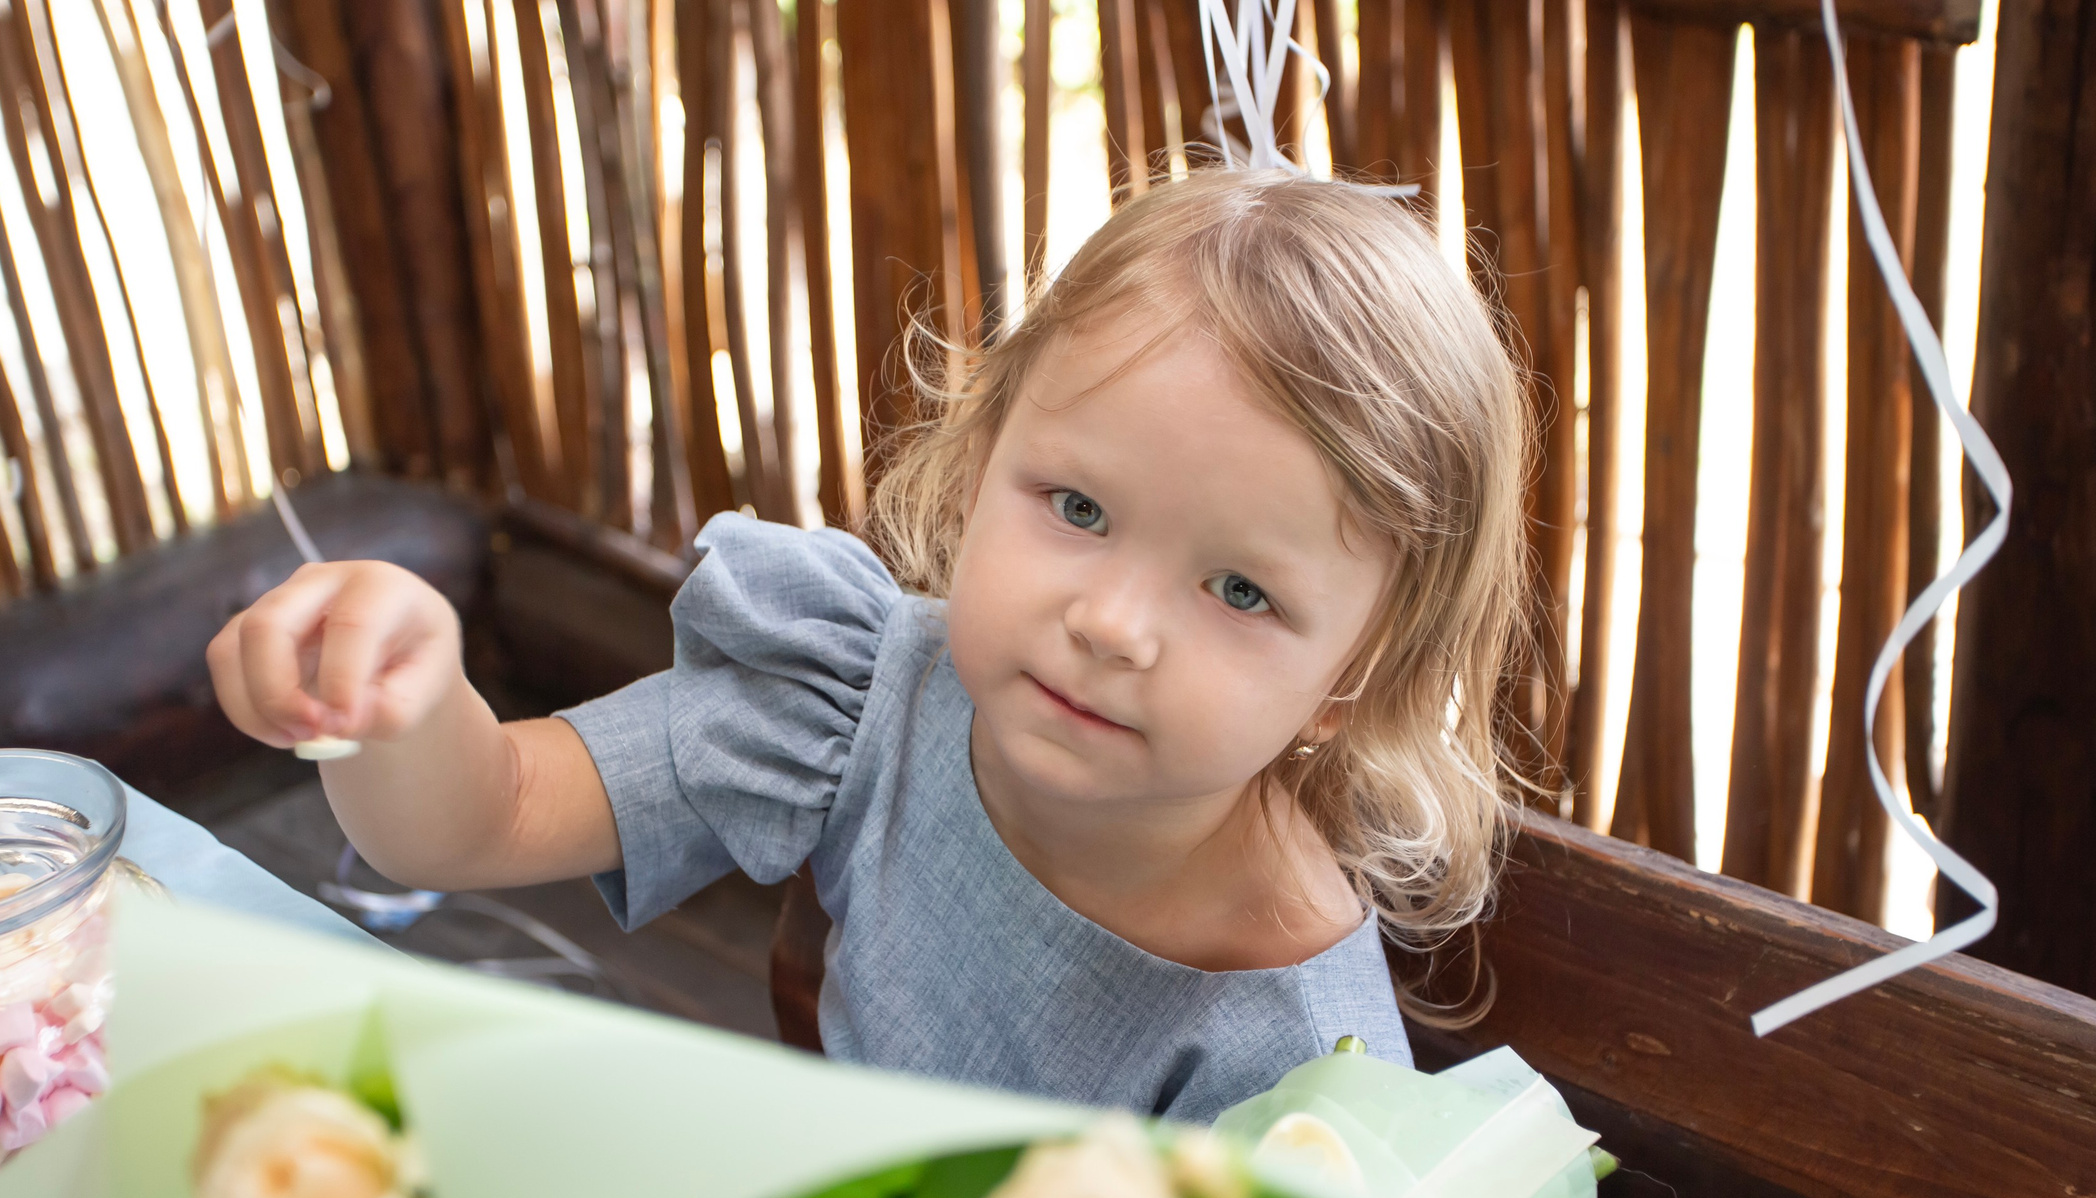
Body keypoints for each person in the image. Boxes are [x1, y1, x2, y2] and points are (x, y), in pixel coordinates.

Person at [209, 168, 1529, 1122]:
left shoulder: (1296, 1063)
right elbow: (473, 817)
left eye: (1239, 590)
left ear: (1350, 684)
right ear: (978, 462)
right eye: (1076, 508)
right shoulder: (862, 691)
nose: (1113, 626)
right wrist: (400, 699)